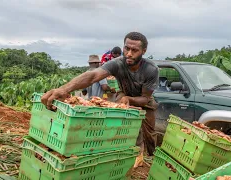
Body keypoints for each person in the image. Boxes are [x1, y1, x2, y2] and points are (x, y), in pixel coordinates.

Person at [41, 32, 159, 168]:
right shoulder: (118, 63)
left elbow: (144, 98)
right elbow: (92, 76)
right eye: (126, 48)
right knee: (125, 125)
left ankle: (151, 158)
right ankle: (126, 154)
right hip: (123, 95)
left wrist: (129, 98)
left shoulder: (151, 70)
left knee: (149, 132)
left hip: (143, 99)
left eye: (134, 50)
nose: (129, 54)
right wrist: (64, 89)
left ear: (143, 51)